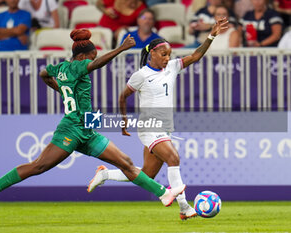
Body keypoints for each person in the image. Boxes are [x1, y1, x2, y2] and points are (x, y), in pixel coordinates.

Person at [0, 28, 186, 214]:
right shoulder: (78, 66)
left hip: (87, 129)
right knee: (38, 166)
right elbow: (96, 63)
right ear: (83, 56)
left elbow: (43, 73)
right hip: (71, 129)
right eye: (90, 57)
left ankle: (163, 194)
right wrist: (121, 48)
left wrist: (62, 90)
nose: (91, 60)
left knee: (126, 163)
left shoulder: (60, 68)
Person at [87, 17, 229, 220]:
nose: (167, 58)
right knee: (173, 158)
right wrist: (124, 121)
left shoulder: (172, 67)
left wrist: (211, 35)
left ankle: (105, 174)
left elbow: (196, 56)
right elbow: (123, 96)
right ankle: (184, 208)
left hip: (164, 128)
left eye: (169, 55)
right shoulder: (141, 75)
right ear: (152, 53)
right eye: (163, 54)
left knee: (147, 175)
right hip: (149, 127)